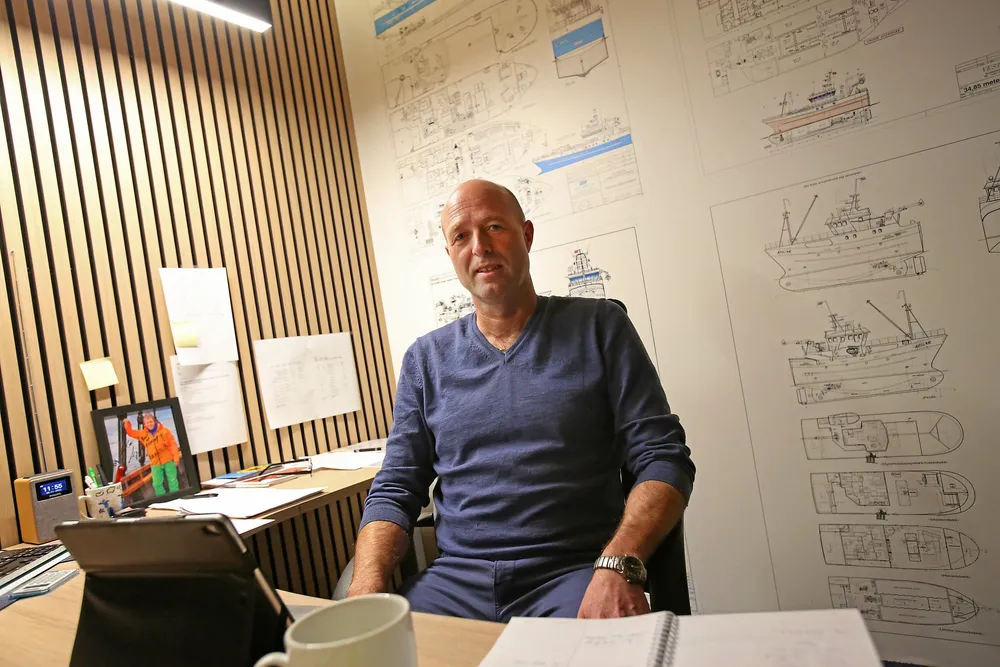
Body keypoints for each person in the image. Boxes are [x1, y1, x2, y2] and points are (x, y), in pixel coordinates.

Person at [348, 179, 694, 621]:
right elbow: (397, 485)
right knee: (372, 649)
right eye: (461, 236)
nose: (480, 246)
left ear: (526, 235)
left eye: (494, 227)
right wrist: (367, 584)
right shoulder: (425, 359)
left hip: (572, 574)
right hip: (457, 581)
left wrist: (618, 563)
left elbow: (663, 457)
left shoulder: (600, 328)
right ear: (451, 254)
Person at [123, 412, 181, 496]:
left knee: (172, 480)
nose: (149, 424)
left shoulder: (165, 431)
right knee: (156, 484)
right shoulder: (142, 434)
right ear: (144, 424)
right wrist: (127, 423)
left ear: (154, 421)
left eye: (151, 421)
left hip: (168, 460)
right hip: (155, 463)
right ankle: (162, 499)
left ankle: (176, 497)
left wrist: (176, 458)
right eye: (147, 422)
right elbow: (130, 432)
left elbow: (173, 445)